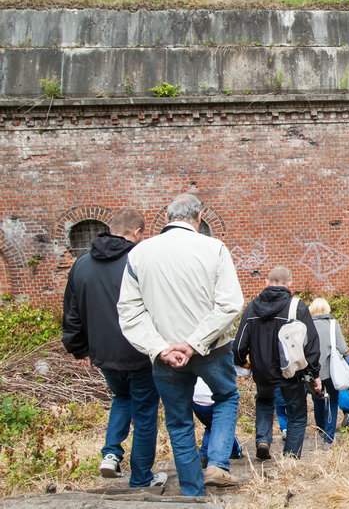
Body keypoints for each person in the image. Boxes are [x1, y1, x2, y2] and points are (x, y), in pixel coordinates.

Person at [118, 193, 244, 495]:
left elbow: (129, 311)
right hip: (211, 349)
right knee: (226, 396)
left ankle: (192, 492)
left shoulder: (139, 254)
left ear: (166, 219)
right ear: (198, 219)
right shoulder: (214, 248)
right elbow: (230, 304)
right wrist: (194, 343)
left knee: (178, 423)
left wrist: (161, 347)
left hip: (164, 356)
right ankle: (217, 464)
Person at [61, 208, 167, 488]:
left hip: (103, 353)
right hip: (139, 351)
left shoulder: (81, 264)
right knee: (145, 411)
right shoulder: (139, 260)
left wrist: (79, 348)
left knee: (121, 398)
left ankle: (110, 453)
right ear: (136, 233)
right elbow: (157, 305)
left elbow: (71, 312)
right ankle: (142, 477)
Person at [232, 266, 321, 460]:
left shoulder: (252, 307)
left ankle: (263, 440)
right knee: (296, 414)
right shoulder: (296, 306)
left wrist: (241, 363)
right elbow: (312, 343)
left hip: (262, 372)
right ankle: (290, 457)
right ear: (290, 283)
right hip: (290, 372)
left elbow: (239, 344)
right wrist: (314, 373)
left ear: (266, 282)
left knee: (264, 402)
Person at [309, 297, 349, 444]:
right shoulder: (333, 324)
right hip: (331, 370)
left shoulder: (306, 326)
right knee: (332, 401)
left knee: (317, 400)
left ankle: (320, 428)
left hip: (313, 371)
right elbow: (343, 348)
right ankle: (329, 435)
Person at [193, 375, 244, 468]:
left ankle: (204, 454)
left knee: (211, 426)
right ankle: (206, 454)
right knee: (222, 426)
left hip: (196, 401)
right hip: (214, 399)